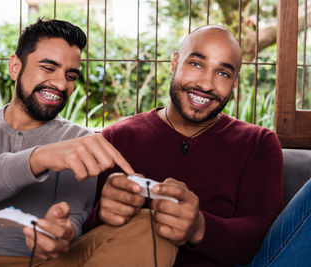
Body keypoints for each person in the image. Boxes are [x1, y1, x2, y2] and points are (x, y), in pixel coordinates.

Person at [0, 18, 136, 266]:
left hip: (39, 263)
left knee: (145, 223)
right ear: (15, 66)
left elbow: (74, 216)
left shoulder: (78, 140)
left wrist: (62, 233)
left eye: (70, 75)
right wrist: (40, 157)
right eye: (48, 68)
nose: (61, 84)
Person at [83, 25, 292, 266]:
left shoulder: (259, 143)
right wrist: (101, 214)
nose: (205, 84)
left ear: (235, 83)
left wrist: (199, 227)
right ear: (174, 63)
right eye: (196, 64)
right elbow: (83, 237)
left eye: (223, 73)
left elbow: (265, 234)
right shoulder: (116, 138)